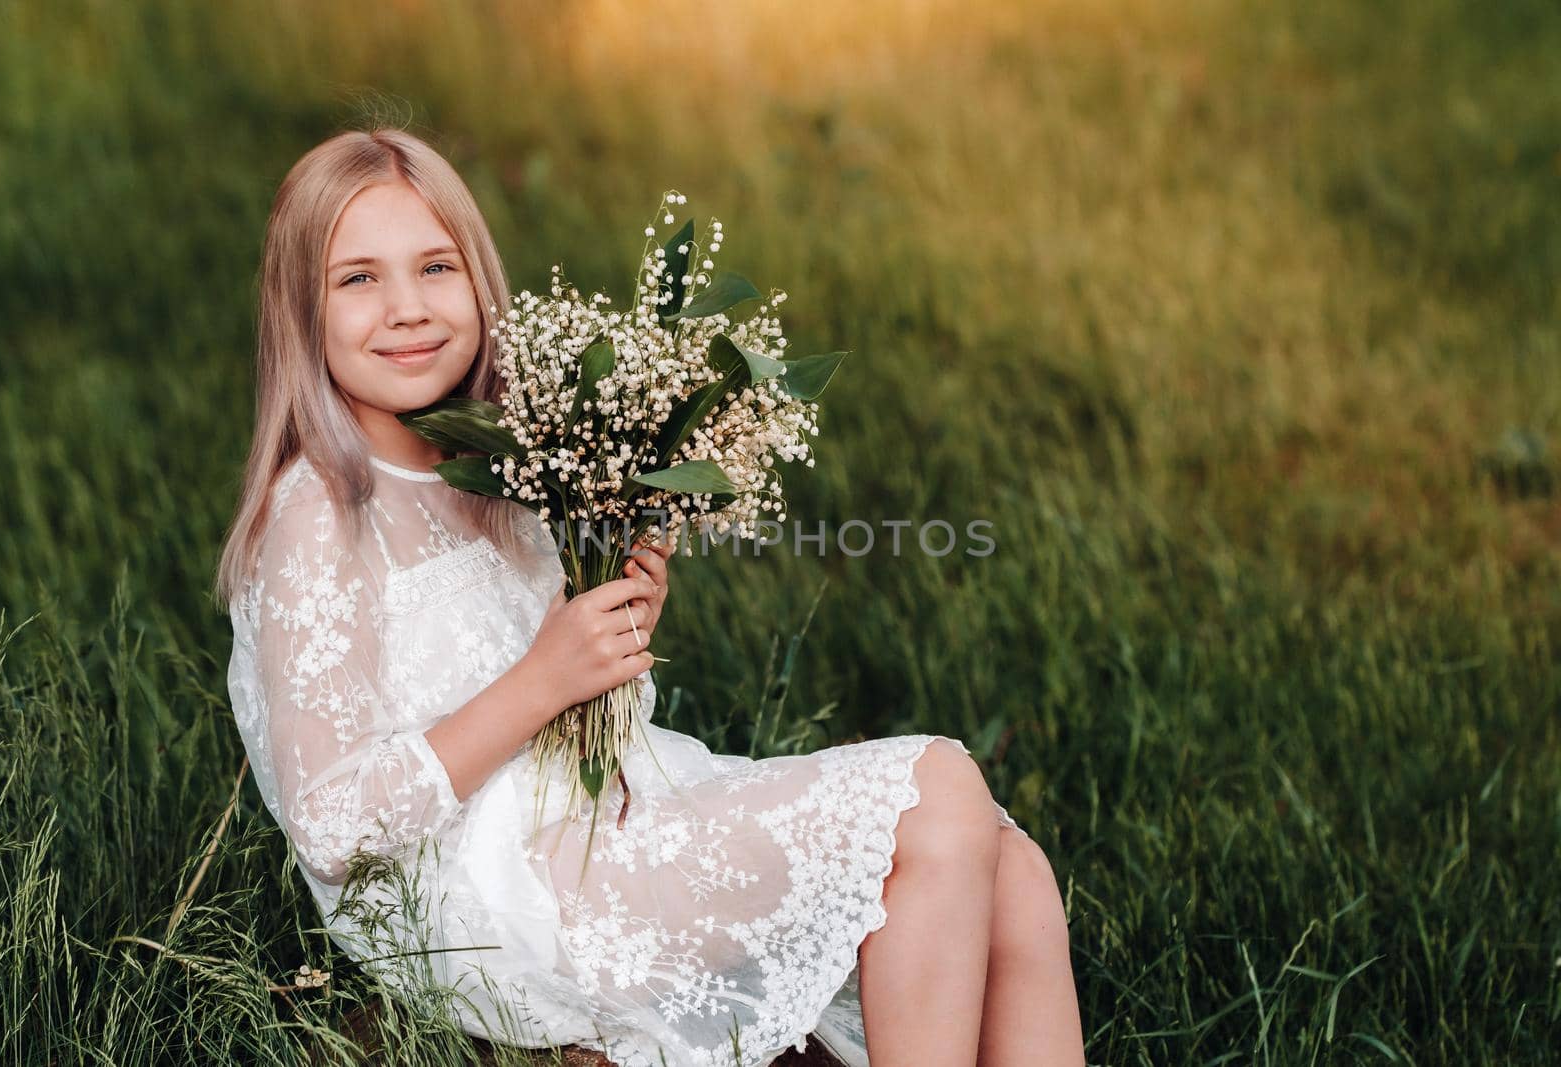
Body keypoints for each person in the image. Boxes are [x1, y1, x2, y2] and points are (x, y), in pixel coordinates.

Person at [214, 125, 1083, 1067]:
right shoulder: (321, 512)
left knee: (1017, 869)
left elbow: (569, 713)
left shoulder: (496, 464)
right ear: (301, 309)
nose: (408, 308)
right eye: (358, 279)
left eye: (435, 267)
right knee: (940, 788)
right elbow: (334, 824)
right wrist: (546, 678)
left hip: (599, 815)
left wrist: (614, 632)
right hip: (484, 892)